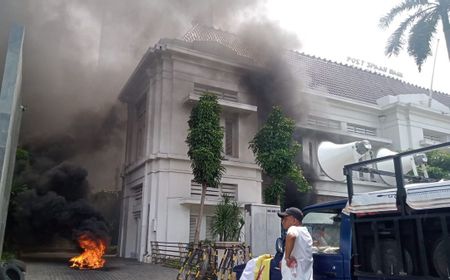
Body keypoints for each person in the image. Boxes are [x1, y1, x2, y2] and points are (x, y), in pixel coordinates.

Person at [278, 207, 313, 280]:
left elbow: (291, 236)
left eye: (285, 219)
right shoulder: (306, 233)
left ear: (294, 220)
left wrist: (287, 258)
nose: (283, 221)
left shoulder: (293, 228)